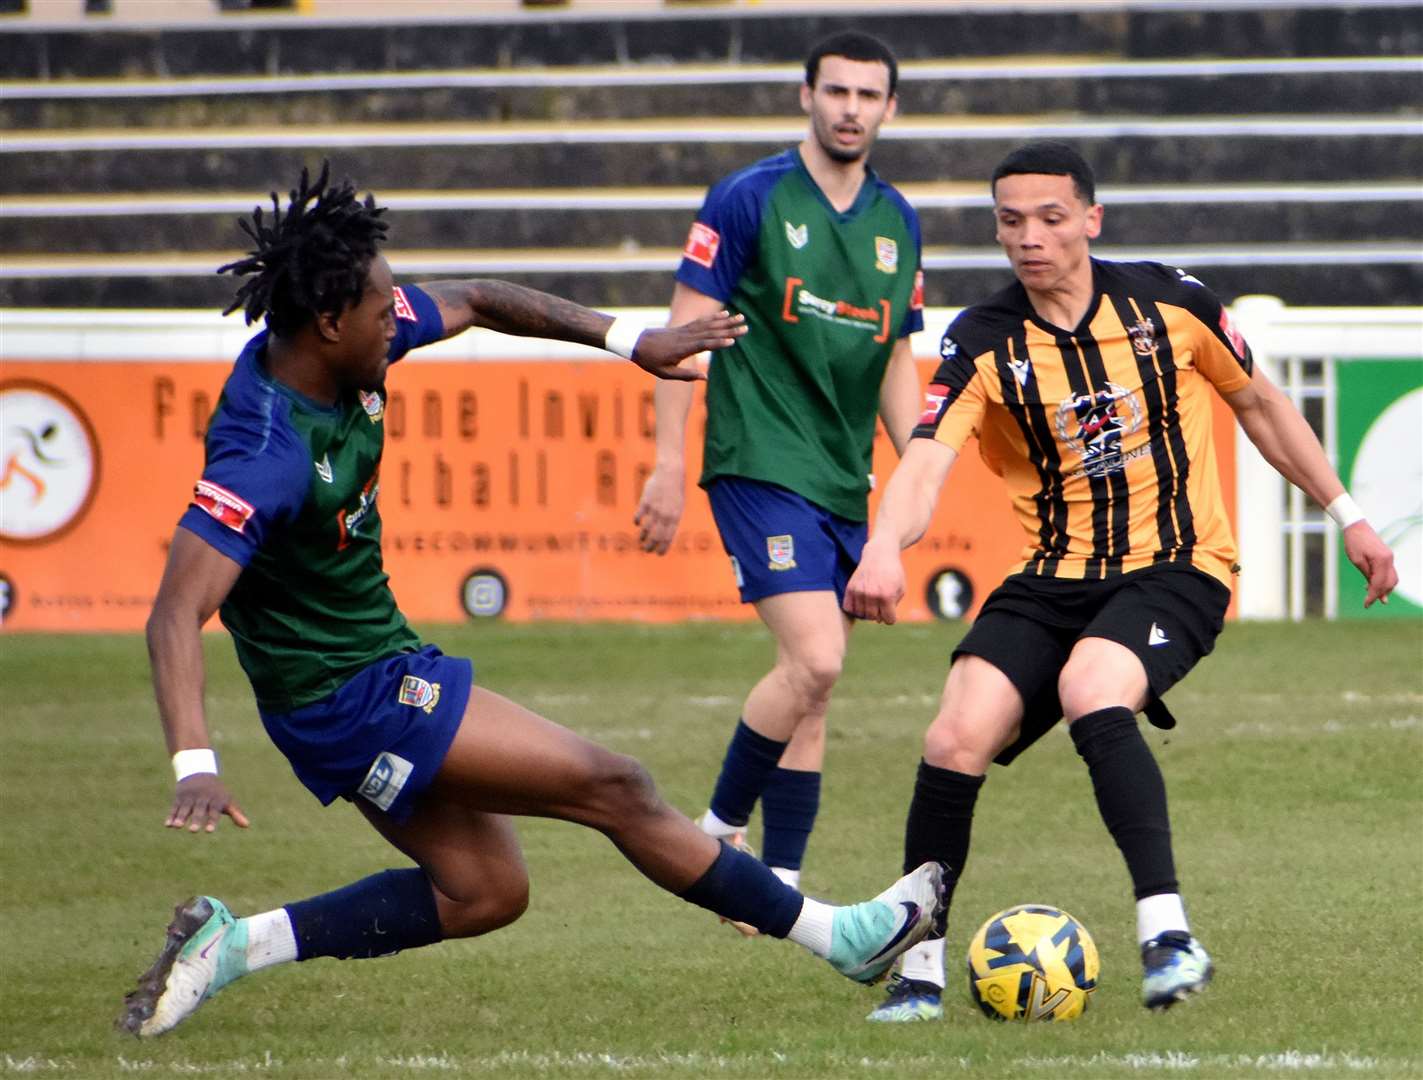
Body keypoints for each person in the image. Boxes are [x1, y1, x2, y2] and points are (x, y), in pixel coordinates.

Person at [115, 164, 946, 1038]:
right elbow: (175, 613)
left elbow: (479, 297)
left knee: (484, 891)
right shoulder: (264, 453)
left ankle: (231, 943)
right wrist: (193, 765)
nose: (397, 314)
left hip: (372, 666)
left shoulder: (343, 343)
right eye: (378, 306)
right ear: (327, 324)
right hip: (346, 697)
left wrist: (634, 342)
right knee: (614, 784)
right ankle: (840, 937)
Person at [843, 141, 1399, 1021]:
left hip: (1176, 567)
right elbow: (922, 464)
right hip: (1051, 576)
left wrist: (1346, 515)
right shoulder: (983, 340)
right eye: (1010, 221)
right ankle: (920, 971)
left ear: (1090, 221)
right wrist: (884, 547)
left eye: (1050, 218)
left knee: (1091, 687)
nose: (1029, 237)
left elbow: (1260, 405)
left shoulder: (1170, 303)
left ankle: (1167, 933)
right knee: (953, 737)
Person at [633, 30, 925, 914]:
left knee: (815, 686)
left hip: (843, 475)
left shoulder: (897, 221)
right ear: (805, 95)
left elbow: (898, 362)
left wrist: (920, 473)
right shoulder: (748, 198)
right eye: (835, 92)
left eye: (867, 96)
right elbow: (684, 333)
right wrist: (667, 462)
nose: (850, 109)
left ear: (889, 108)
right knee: (817, 656)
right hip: (757, 458)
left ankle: (783, 884)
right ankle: (718, 832)